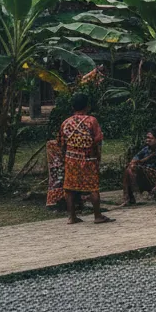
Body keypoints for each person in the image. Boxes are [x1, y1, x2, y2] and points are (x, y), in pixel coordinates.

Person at [59, 92, 113, 224]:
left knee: (69, 188)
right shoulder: (91, 120)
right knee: (93, 187)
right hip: (88, 159)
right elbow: (99, 137)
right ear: (87, 106)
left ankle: (71, 217)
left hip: (71, 159)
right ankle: (97, 216)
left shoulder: (65, 123)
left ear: (73, 106)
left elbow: (61, 142)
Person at [121, 126, 156, 205]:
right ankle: (128, 198)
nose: (147, 140)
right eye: (147, 138)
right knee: (129, 168)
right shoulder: (146, 149)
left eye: (150, 138)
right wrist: (143, 160)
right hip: (148, 175)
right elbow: (134, 160)